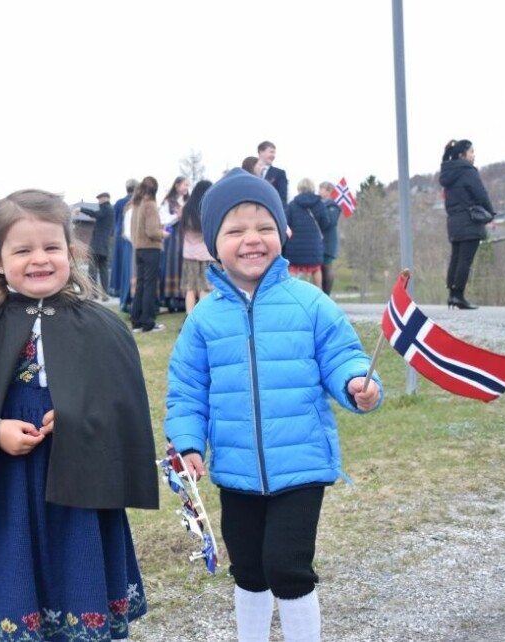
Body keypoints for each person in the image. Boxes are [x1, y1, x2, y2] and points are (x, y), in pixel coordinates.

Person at [165, 168, 382, 642]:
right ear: (212, 242)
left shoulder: (310, 303)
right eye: (236, 230)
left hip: (301, 464)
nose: (251, 240)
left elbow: (344, 355)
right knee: (248, 568)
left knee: (286, 566)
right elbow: (186, 389)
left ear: (283, 233)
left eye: (264, 227)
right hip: (236, 469)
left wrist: (356, 384)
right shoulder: (203, 319)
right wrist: (187, 442)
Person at [0, 189, 159, 642]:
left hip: (78, 487)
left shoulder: (102, 327)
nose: (39, 259)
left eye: (51, 248)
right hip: (7, 487)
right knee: (12, 568)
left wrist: (82, 418)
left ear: (71, 252)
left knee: (73, 566)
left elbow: (123, 406)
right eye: (23, 250)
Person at [439, 139, 495, 310]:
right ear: (462, 155)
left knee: (455, 258)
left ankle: (452, 295)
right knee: (465, 260)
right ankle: (459, 296)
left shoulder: (448, 173)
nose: (473, 155)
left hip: (454, 222)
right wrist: (490, 213)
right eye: (471, 152)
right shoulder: (468, 171)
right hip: (470, 221)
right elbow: (481, 194)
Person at [130, 176, 167, 332]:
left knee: (140, 286)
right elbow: (152, 231)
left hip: (138, 249)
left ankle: (137, 321)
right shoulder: (150, 205)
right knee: (150, 287)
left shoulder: (137, 205)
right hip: (151, 249)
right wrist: (163, 234)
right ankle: (148, 323)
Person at [179, 179, 214, 314]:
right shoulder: (207, 209)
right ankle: (202, 318)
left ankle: (189, 319)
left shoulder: (186, 209)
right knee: (205, 288)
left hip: (189, 255)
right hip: (207, 255)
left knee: (190, 289)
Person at [283, 178, 326, 287]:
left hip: (295, 246)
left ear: (299, 188)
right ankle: (319, 294)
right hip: (313, 245)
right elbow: (325, 223)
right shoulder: (319, 204)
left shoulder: (292, 204)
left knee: (293, 269)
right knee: (316, 269)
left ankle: (292, 294)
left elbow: (286, 224)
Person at [159, 176, 190, 312]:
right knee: (172, 264)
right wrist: (177, 216)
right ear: (177, 185)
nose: (186, 188)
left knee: (184, 265)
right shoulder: (168, 201)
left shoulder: (188, 200)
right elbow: (163, 219)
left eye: (188, 185)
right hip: (172, 237)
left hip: (186, 236)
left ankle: (184, 299)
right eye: (184, 185)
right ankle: (171, 299)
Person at [80, 191, 114, 300]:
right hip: (105, 245)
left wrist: (81, 209)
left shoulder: (106, 209)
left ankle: (93, 293)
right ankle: (105, 294)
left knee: (92, 270)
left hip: (97, 245)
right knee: (103, 271)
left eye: (99, 199)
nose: (99, 202)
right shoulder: (111, 212)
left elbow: (95, 214)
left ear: (105, 199)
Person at [110, 179, 137, 312]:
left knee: (121, 267)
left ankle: (120, 294)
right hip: (129, 238)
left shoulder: (119, 202)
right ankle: (127, 296)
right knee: (129, 268)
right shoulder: (136, 202)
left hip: (120, 237)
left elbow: (114, 220)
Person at [316, 181, 342, 296]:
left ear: (328, 191)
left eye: (321, 189)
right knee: (319, 269)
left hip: (328, 243)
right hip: (319, 242)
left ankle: (327, 294)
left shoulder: (333, 206)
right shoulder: (319, 204)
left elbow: (331, 222)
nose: (319, 191)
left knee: (327, 268)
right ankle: (320, 293)